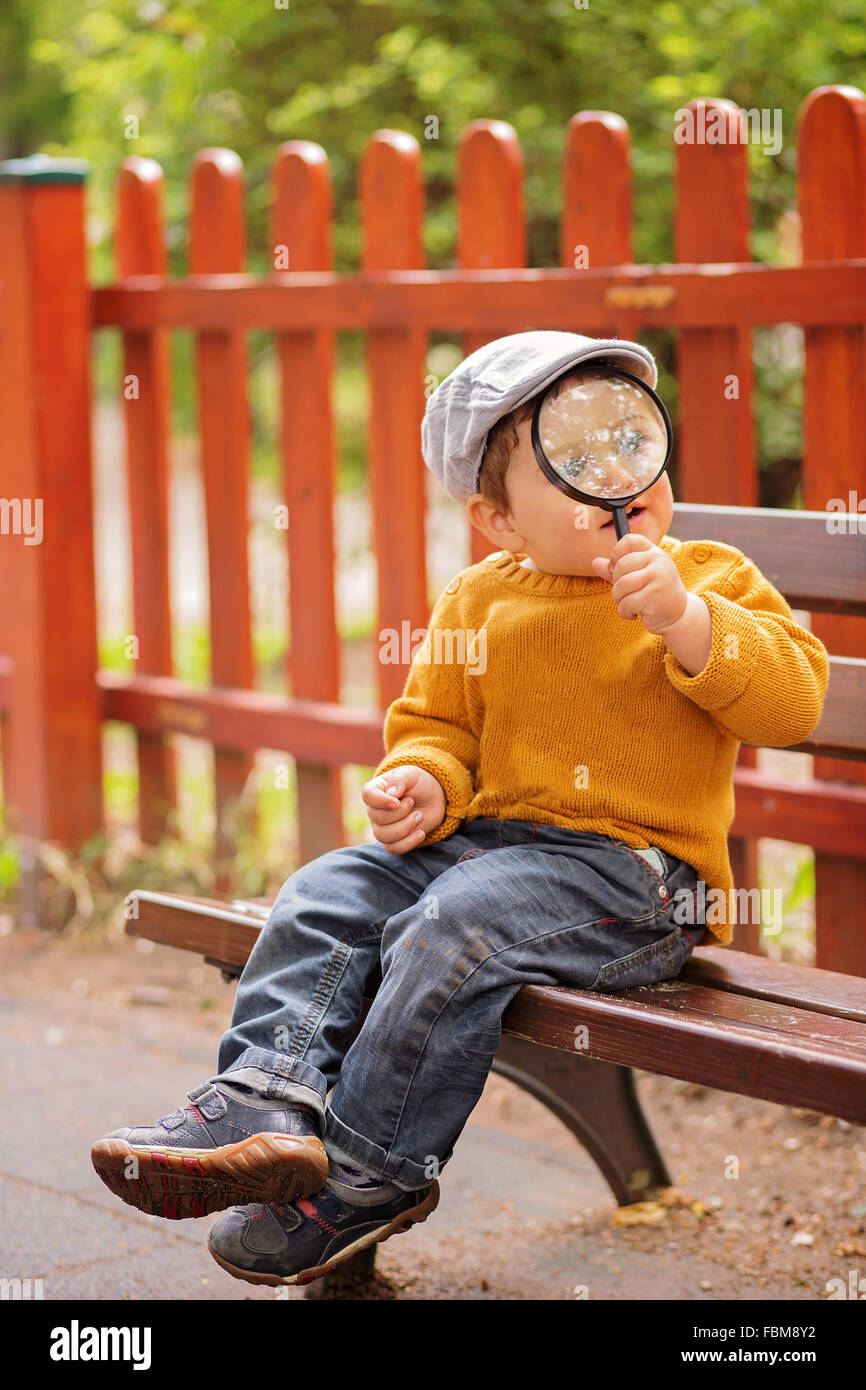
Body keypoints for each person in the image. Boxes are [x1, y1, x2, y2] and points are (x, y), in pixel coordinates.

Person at [91, 330, 829, 1288]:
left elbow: (795, 700)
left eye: (626, 441)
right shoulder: (479, 600)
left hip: (635, 881)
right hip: (485, 852)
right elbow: (436, 727)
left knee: (453, 923)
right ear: (499, 520)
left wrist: (688, 623)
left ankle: (368, 1174)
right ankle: (263, 1098)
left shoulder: (711, 578)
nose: (614, 474)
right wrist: (425, 783)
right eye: (572, 460)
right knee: (328, 886)